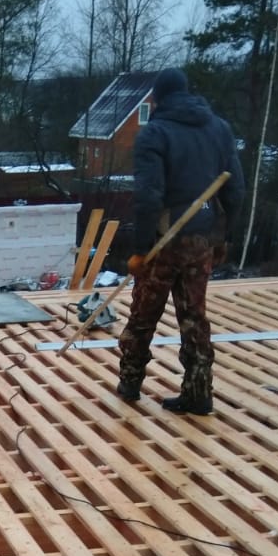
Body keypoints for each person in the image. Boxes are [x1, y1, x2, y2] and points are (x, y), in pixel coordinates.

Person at [116, 67, 245, 415]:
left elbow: (148, 196)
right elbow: (235, 190)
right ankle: (198, 393)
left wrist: (141, 249)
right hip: (202, 238)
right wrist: (224, 237)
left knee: (143, 315)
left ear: (157, 98)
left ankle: (130, 383)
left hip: (165, 239)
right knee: (194, 317)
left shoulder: (154, 133)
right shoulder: (219, 129)